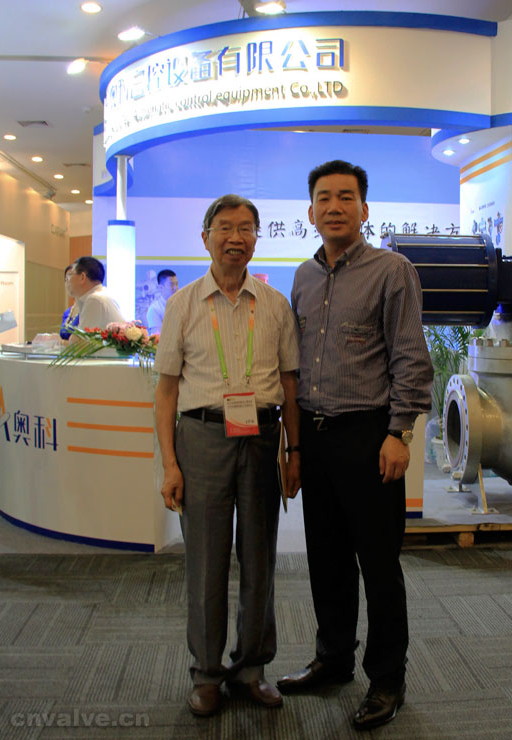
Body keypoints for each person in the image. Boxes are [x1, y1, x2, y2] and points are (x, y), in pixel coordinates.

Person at [278, 160, 433, 730]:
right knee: (327, 559)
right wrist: (294, 449)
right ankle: (334, 659)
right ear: (310, 211)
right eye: (324, 198)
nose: (335, 207)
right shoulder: (303, 277)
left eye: (346, 197)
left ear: (365, 209)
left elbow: (410, 357)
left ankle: (387, 679)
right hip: (316, 439)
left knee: (379, 564)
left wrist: (399, 433)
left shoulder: (392, 271)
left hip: (369, 438)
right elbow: (294, 368)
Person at [154, 194, 300, 718]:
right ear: (205, 238)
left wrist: (294, 452)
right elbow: (166, 391)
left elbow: (290, 385)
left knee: (260, 557)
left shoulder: (275, 304)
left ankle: (251, 668)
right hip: (201, 437)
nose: (235, 238)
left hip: (262, 436)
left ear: (257, 238)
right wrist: (170, 464)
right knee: (206, 561)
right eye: (224, 228)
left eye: (245, 229)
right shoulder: (183, 304)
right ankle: (207, 673)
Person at [65, 256, 124, 330]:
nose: (67, 280)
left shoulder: (95, 299)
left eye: (70, 275)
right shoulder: (101, 294)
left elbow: (81, 336)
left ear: (82, 277)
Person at [146, 268, 179, 335]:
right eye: (171, 285)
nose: (175, 288)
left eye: (176, 284)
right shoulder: (154, 309)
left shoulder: (183, 305)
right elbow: (158, 337)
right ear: (160, 287)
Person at [60, 265, 80, 340]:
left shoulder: (87, 308)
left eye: (70, 277)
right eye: (66, 279)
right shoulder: (67, 312)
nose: (68, 283)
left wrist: (61, 342)